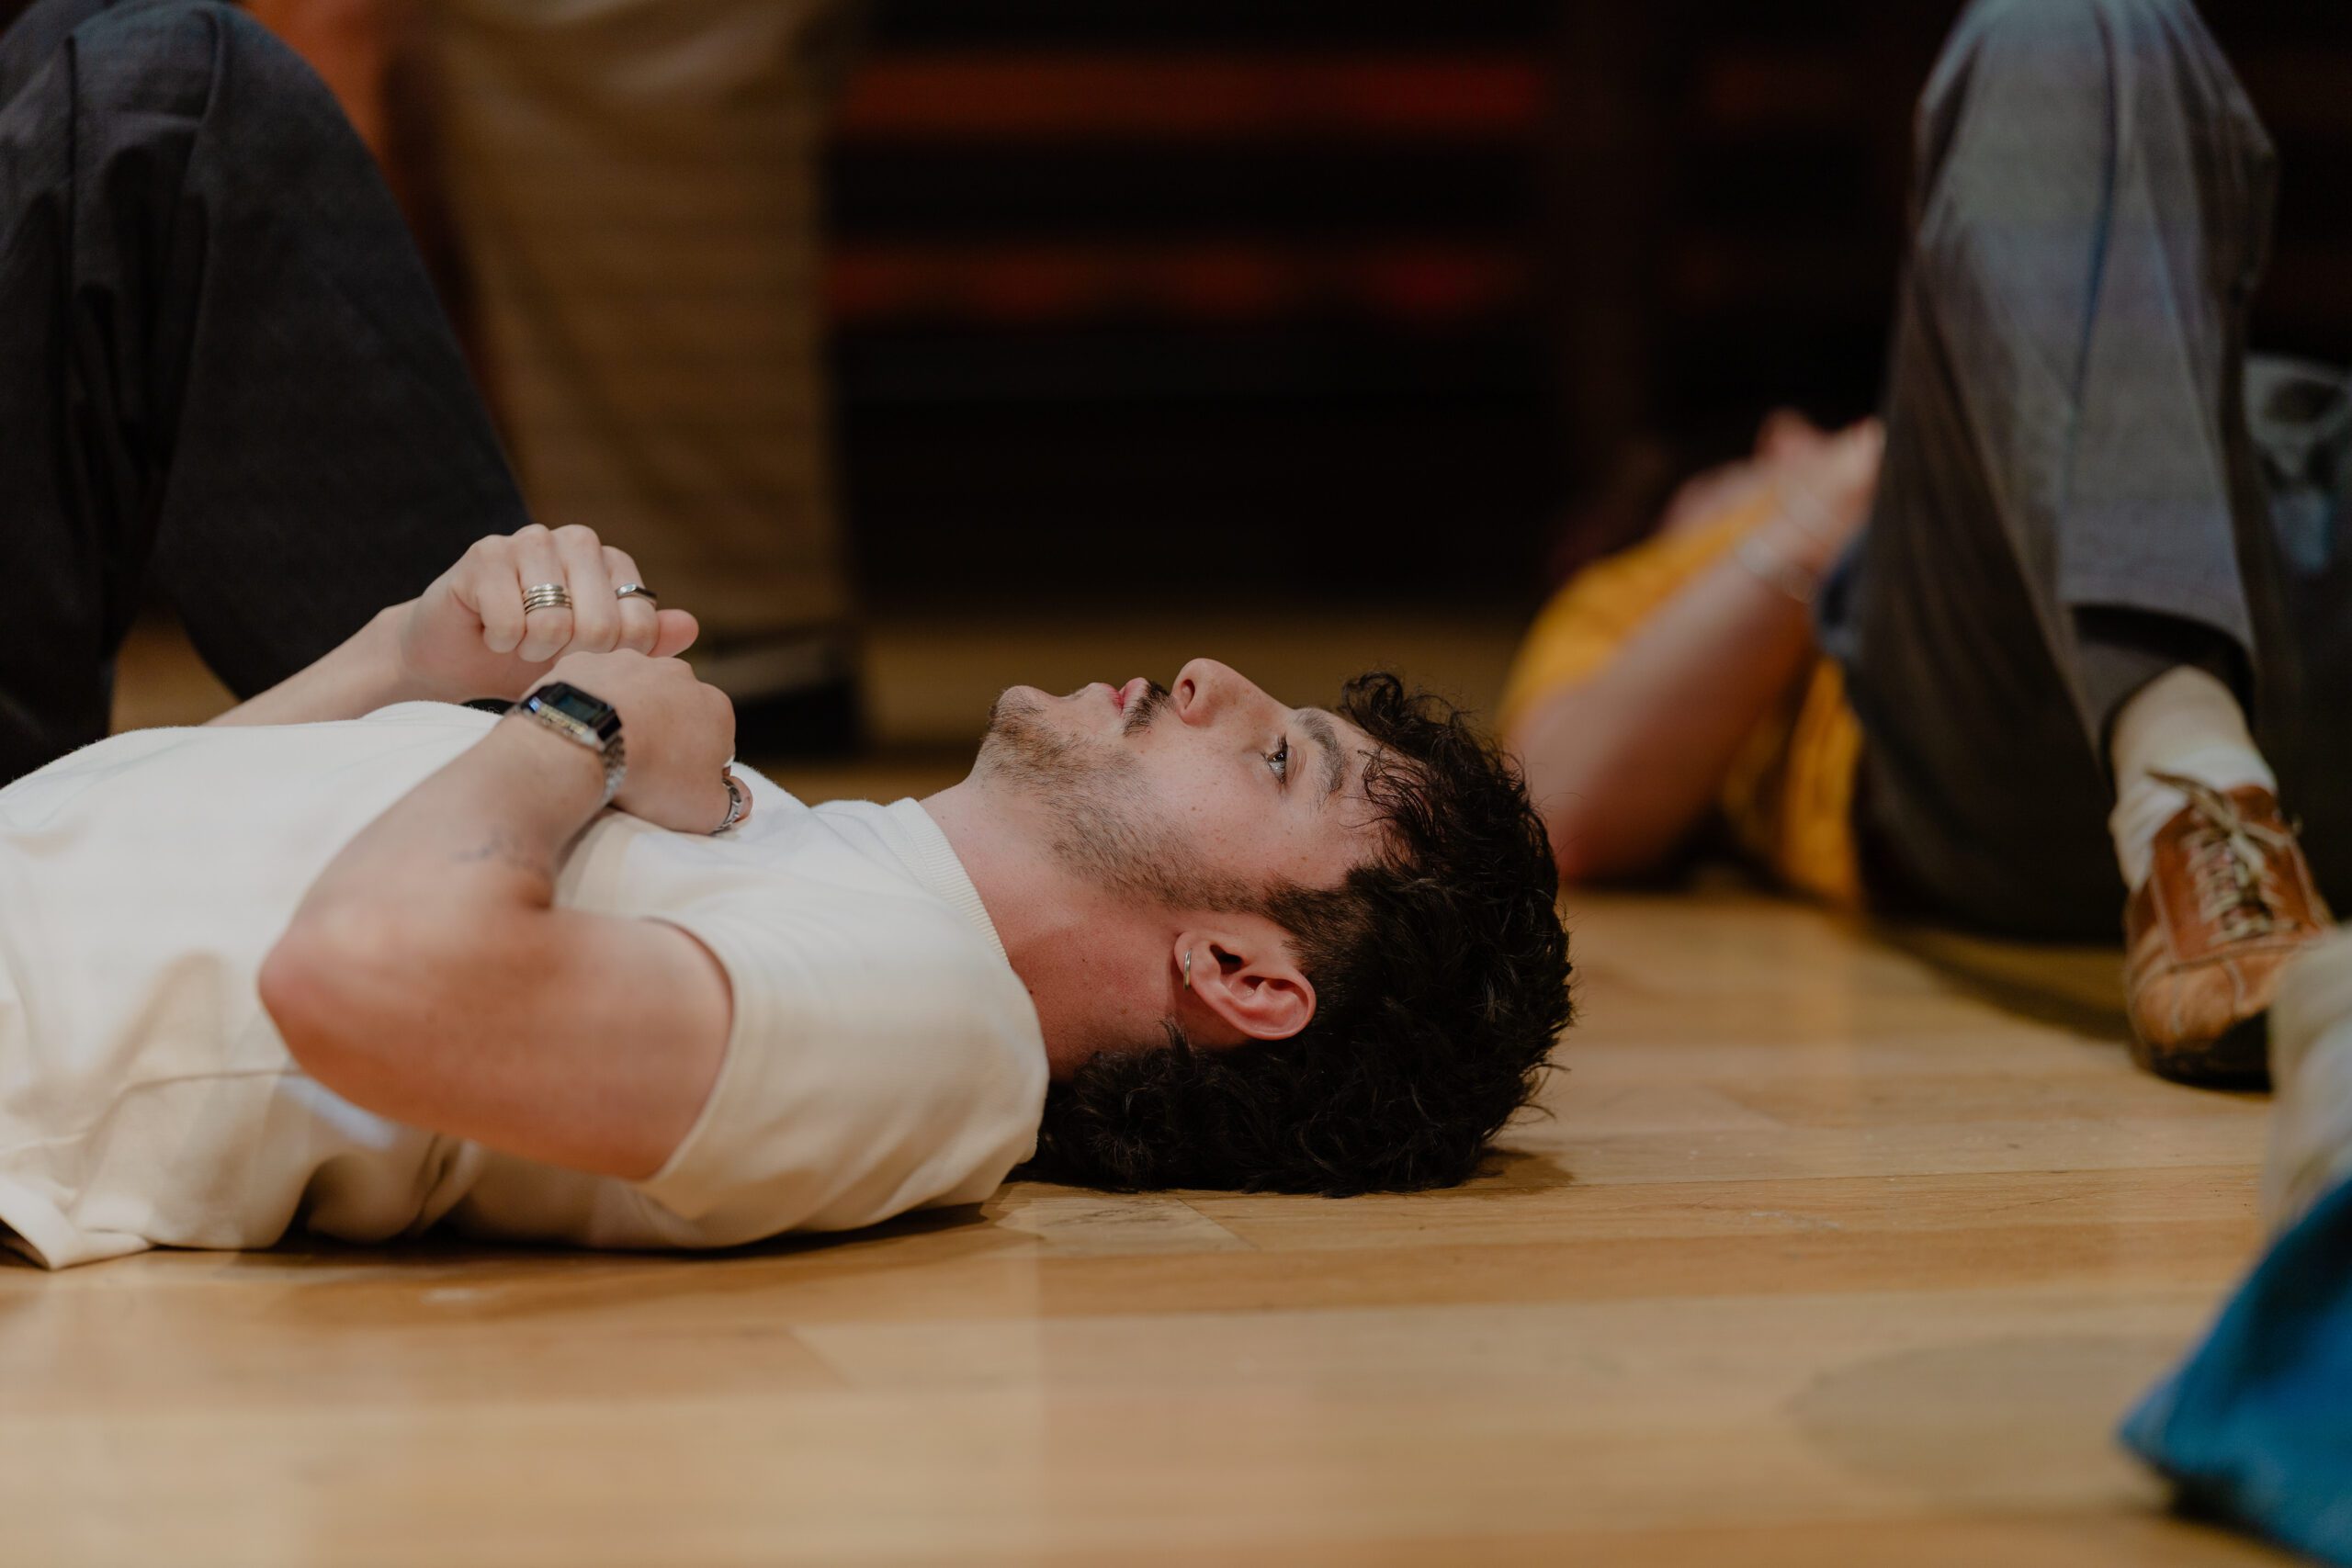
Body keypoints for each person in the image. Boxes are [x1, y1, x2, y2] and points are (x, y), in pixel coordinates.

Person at [0, 0, 1571, 1268]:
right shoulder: (829, 870)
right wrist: (406, 660)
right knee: (182, 101)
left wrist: (580, 722)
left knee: (161, 93)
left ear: (1242, 971)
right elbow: (132, 818)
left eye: (1284, 755)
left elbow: (365, 980)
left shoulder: (920, 1025)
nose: (1218, 681)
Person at [1504, 0, 2348, 1087]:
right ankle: (2191, 795)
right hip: (1994, 724)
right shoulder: (1632, 588)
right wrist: (1818, 502)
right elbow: (1563, 808)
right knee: (2057, 24)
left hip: (2278, 518)